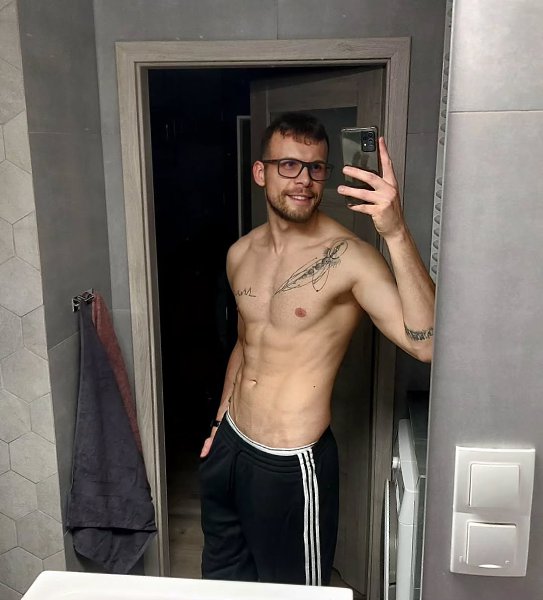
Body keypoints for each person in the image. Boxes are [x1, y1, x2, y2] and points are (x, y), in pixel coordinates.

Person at [199, 112, 435, 586]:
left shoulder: (350, 258)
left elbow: (427, 346)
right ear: (261, 172)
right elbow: (246, 344)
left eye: (316, 167)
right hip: (230, 447)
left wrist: (394, 232)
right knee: (223, 584)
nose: (304, 180)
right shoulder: (240, 253)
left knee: (295, 594)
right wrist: (219, 424)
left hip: (291, 463)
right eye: (289, 165)